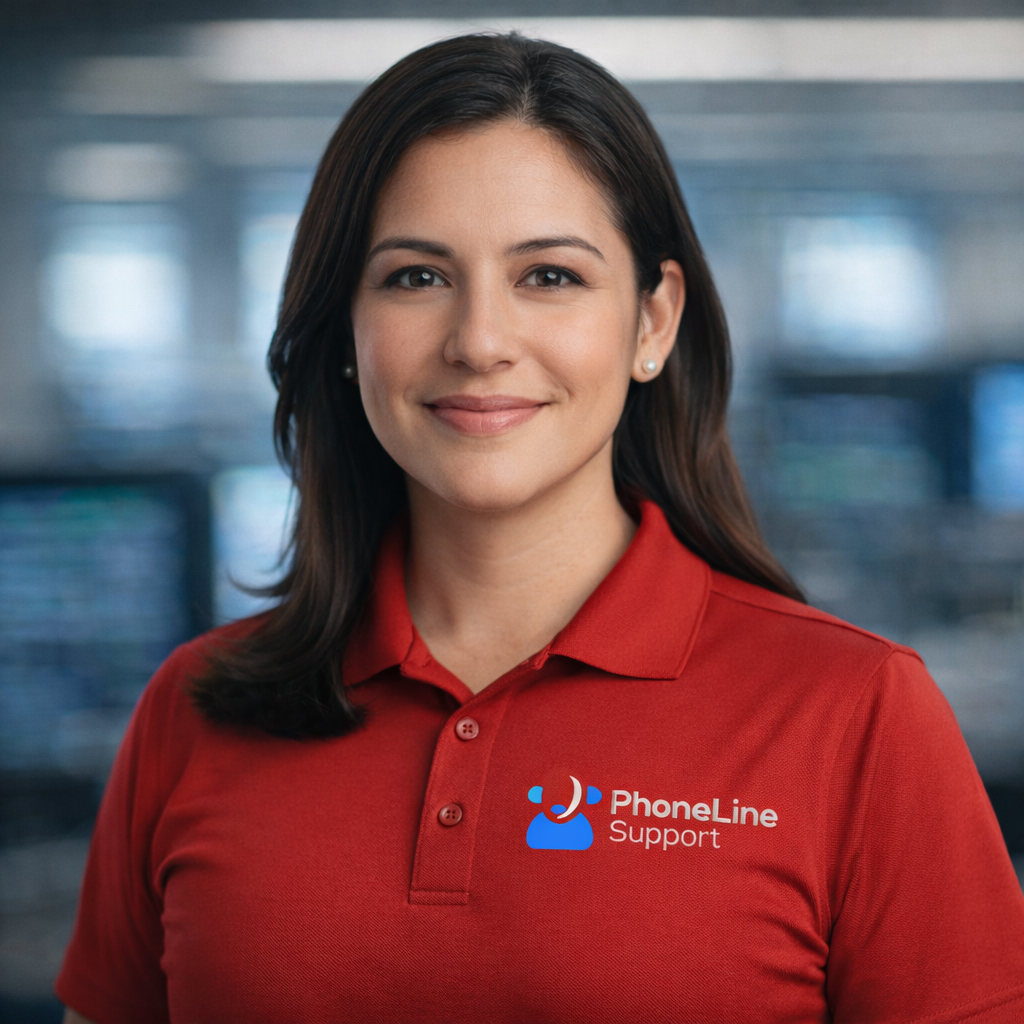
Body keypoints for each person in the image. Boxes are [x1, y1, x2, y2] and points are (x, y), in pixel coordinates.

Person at [58, 33, 1024, 1024]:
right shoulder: (195, 711)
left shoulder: (854, 713)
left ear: (651, 323)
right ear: (346, 328)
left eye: (549, 276)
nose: (480, 341)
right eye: (415, 277)